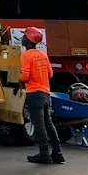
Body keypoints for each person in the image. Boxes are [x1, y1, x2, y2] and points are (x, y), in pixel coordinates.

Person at [20, 27, 64, 165]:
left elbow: (25, 76)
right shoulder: (43, 55)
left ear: (28, 40)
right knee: (48, 124)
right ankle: (57, 153)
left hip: (34, 94)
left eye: (24, 36)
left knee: (39, 125)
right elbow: (50, 74)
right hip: (45, 93)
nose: (22, 38)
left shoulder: (26, 56)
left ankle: (44, 154)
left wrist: (18, 81)